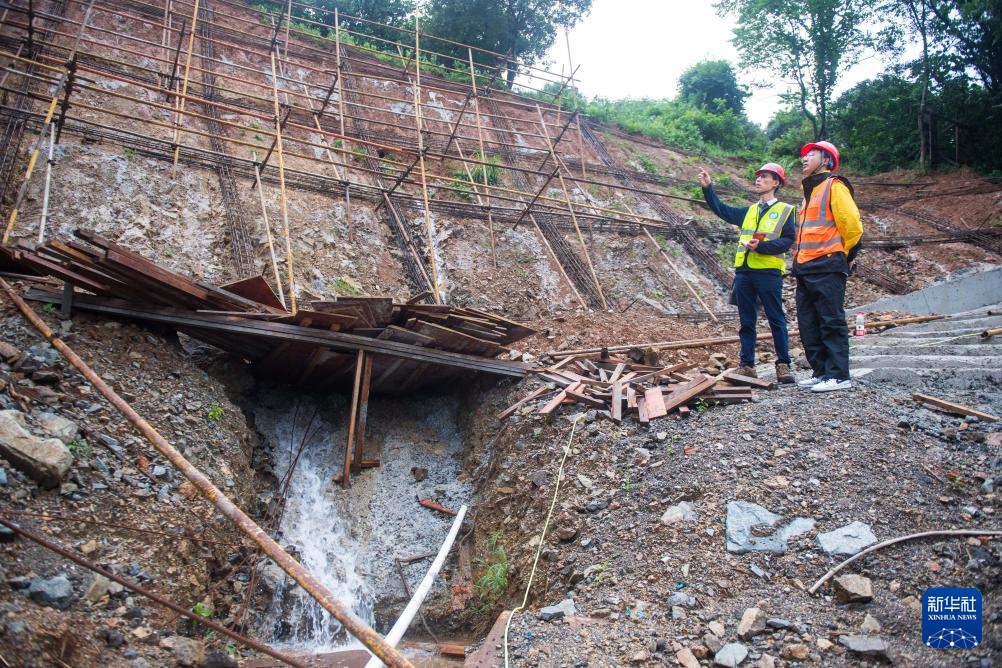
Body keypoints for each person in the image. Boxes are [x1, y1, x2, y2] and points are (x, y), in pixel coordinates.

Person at [698, 163, 796, 383]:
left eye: (765, 176)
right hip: (745, 272)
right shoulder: (750, 211)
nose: (758, 180)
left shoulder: (785, 210)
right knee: (746, 321)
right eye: (758, 176)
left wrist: (762, 247)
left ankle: (783, 365)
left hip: (769, 272)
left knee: (775, 318)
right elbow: (722, 210)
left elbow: (788, 240)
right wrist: (708, 188)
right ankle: (747, 366)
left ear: (776, 182)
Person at [794, 141, 863, 392]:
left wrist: (846, 255)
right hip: (805, 266)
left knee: (830, 320)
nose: (804, 158)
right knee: (808, 323)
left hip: (827, 264)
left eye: (811, 154)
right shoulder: (809, 192)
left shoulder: (835, 186)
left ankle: (839, 375)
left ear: (826, 160)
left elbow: (852, 225)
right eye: (804, 155)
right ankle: (821, 371)